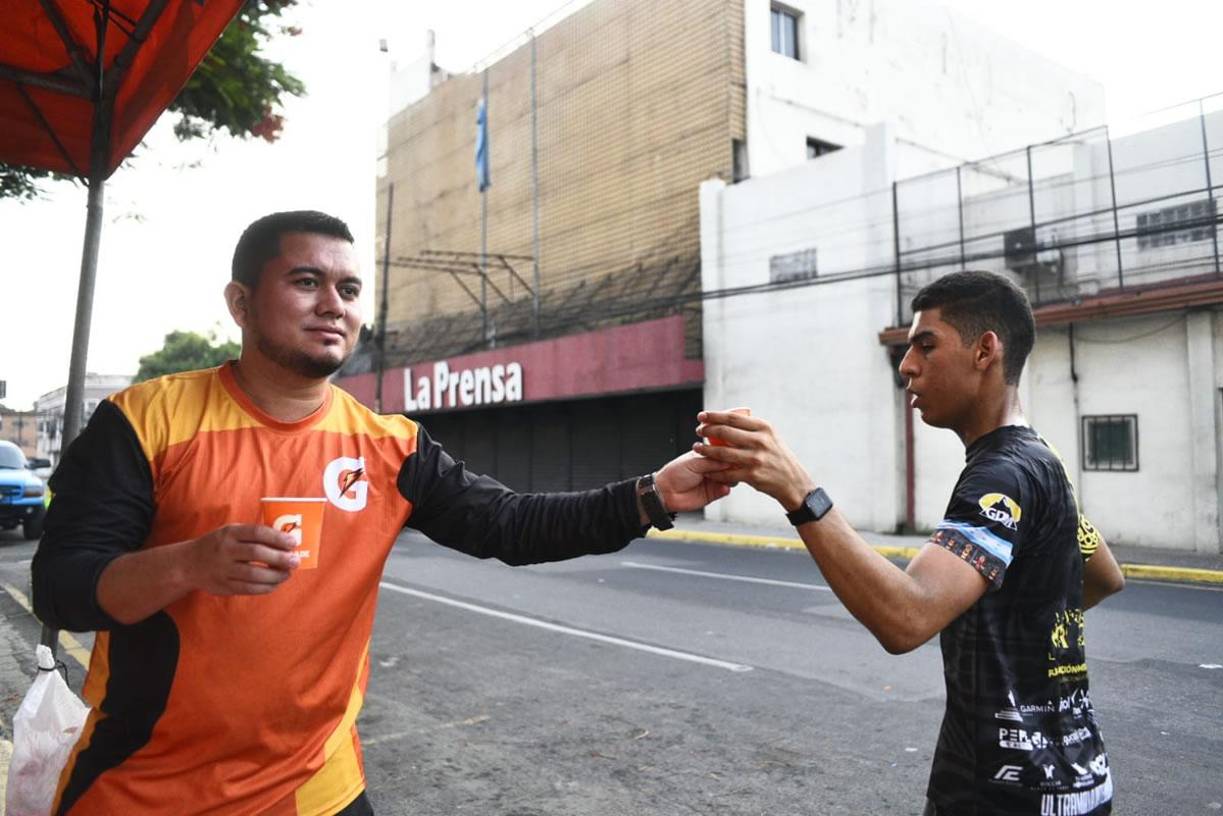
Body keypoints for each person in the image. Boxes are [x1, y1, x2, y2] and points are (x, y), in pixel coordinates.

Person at [31, 210, 730, 816]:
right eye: (306, 282)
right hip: (147, 786)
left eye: (350, 288)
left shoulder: (391, 446)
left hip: (316, 785)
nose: (333, 303)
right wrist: (190, 561)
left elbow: (511, 525)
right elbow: (62, 587)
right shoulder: (145, 420)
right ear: (240, 303)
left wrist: (654, 496)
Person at [696, 270, 1125, 815]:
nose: (907, 366)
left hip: (1000, 795)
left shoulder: (1000, 476)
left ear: (985, 351)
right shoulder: (1044, 464)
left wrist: (797, 490)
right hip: (1079, 784)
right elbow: (1105, 574)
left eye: (926, 344)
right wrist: (1011, 619)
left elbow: (906, 618)